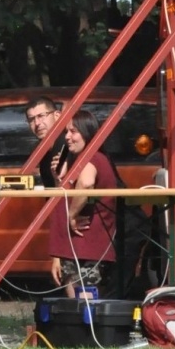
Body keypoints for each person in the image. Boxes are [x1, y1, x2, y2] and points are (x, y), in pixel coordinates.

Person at [47, 109, 122, 298]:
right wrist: (60, 179)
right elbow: (61, 201)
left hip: (88, 250)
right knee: (77, 309)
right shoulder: (77, 162)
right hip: (74, 249)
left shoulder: (93, 158)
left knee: (85, 309)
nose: (68, 137)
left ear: (87, 132)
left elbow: (86, 183)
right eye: (66, 132)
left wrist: (72, 216)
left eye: (73, 131)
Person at [26, 97, 65, 189]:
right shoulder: (42, 150)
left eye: (41, 116)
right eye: (31, 119)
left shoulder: (66, 145)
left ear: (57, 115)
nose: (37, 123)